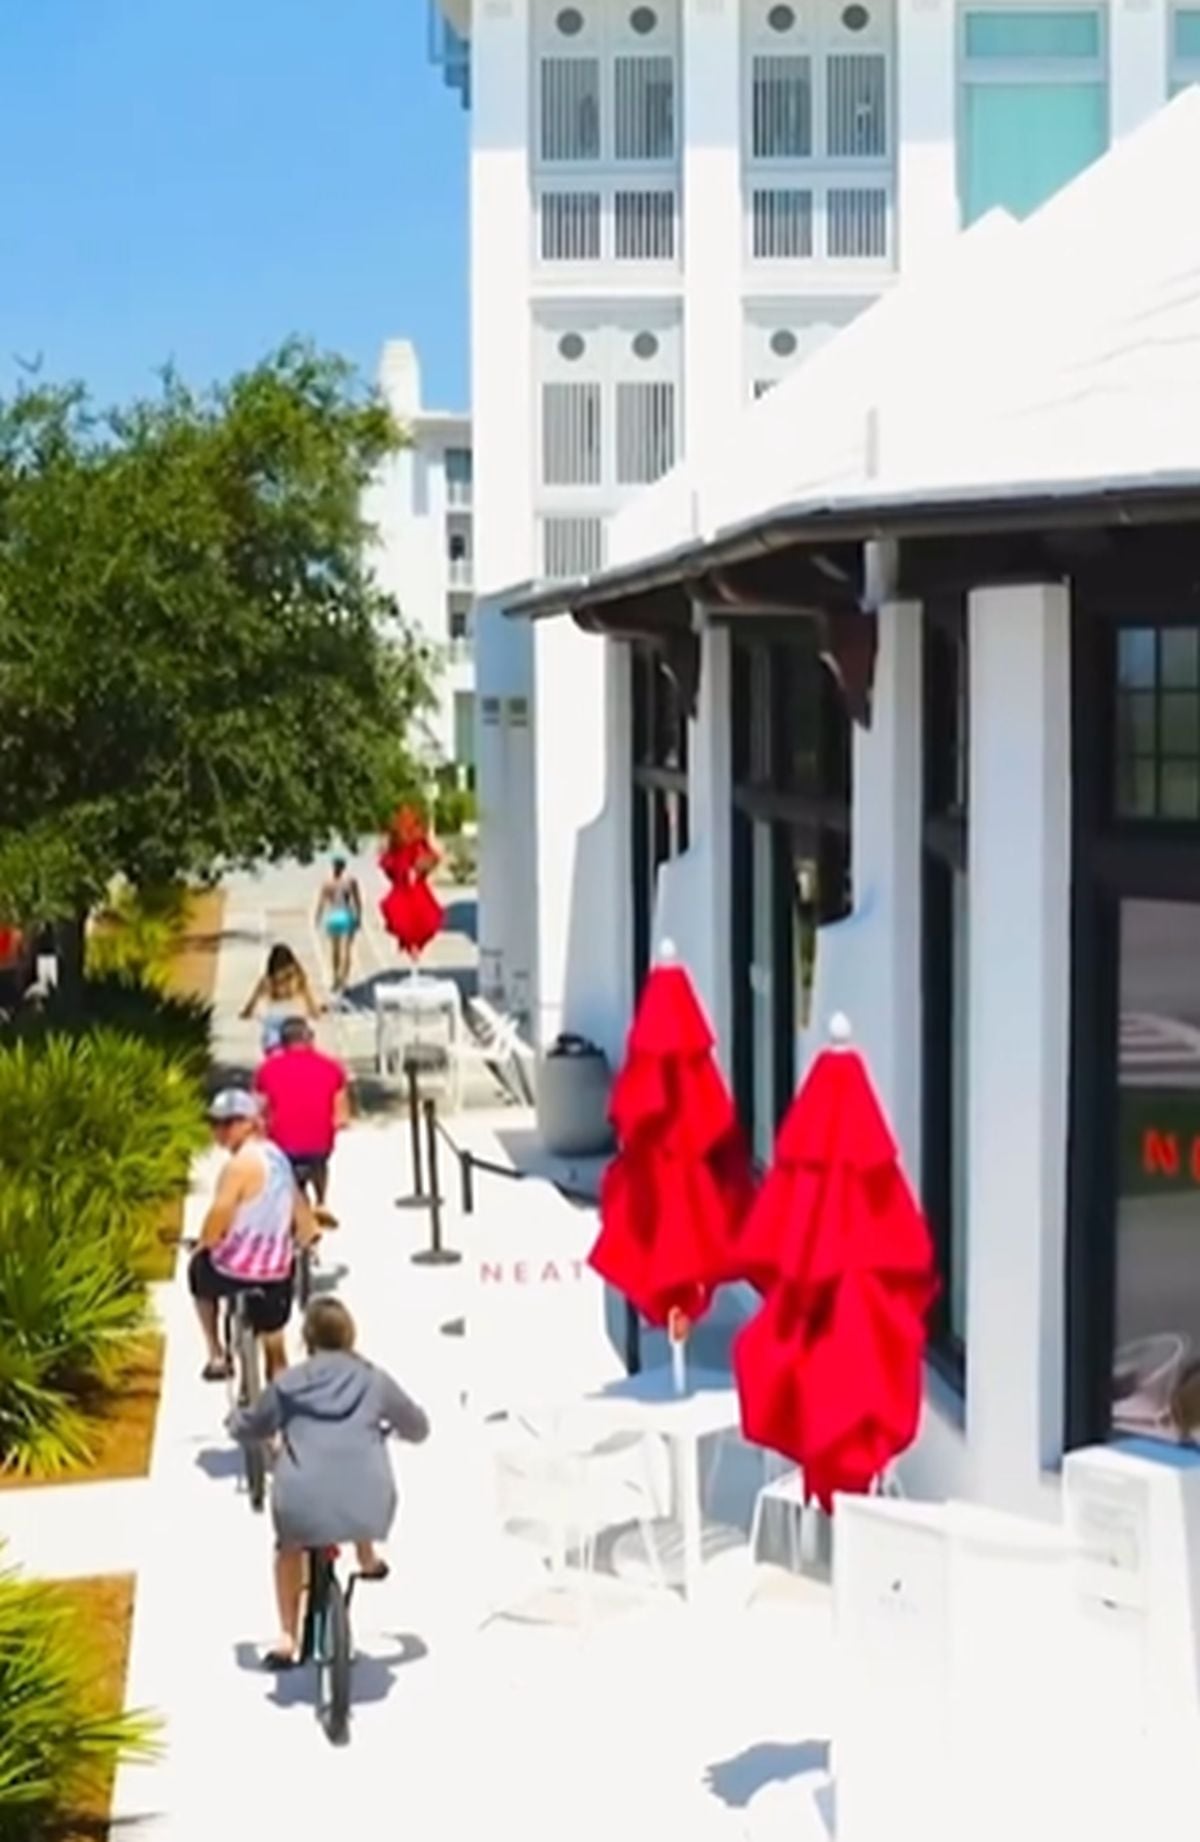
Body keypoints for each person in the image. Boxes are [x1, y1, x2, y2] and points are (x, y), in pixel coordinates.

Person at [227, 1296, 430, 1669]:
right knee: (355, 1470)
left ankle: (287, 1637)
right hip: (370, 1502)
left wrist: (235, 1421)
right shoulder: (374, 1379)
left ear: (306, 1340)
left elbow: (250, 1425)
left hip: (302, 1501)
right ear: (351, 1335)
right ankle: (366, 1558)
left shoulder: (288, 1384)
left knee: (289, 1547)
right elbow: (417, 1428)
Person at [188, 1089, 318, 1382]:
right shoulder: (278, 1158)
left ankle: (216, 1354)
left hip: (231, 1270)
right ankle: (280, 1410)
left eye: (228, 1122)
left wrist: (201, 1245)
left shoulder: (237, 1167)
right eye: (216, 1123)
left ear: (249, 1123)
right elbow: (299, 1206)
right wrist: (308, 1236)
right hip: (275, 1272)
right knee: (275, 1344)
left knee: (198, 1271)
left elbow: (217, 1219)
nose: (219, 1131)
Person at [254, 1016, 350, 1209]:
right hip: (320, 1142)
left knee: (280, 1167)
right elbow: (341, 1114)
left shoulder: (266, 1069)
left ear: (282, 1042)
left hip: (282, 1141)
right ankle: (322, 1201)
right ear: (310, 1038)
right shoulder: (332, 1067)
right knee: (320, 1163)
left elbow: (259, 1109)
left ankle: (293, 1204)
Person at [239, 943, 319, 1053]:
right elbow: (313, 1007)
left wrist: (247, 1013)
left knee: (274, 1054)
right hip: (297, 1023)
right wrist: (315, 1013)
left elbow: (249, 1009)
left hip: (274, 1025)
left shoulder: (267, 981)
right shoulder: (299, 979)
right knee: (303, 1053)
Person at [315, 856, 362, 998]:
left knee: (334, 950)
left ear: (333, 867)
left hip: (333, 915)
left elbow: (321, 902)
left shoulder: (327, 883)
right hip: (346, 915)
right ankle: (344, 981)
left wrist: (318, 917)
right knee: (347, 950)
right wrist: (359, 916)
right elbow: (357, 901)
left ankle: (336, 978)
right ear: (344, 867)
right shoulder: (350, 881)